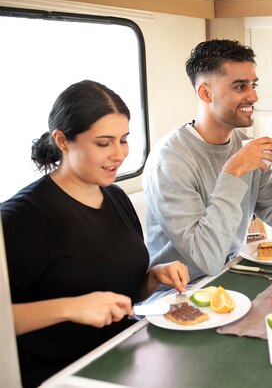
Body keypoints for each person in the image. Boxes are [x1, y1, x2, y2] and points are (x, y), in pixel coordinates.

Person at [0, 80, 189, 388]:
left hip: (122, 358)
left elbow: (119, 296)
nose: (118, 155)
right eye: (103, 143)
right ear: (62, 140)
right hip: (61, 375)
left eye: (124, 140)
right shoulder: (22, 217)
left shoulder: (116, 197)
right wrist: (69, 308)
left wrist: (153, 278)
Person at [144, 39, 272, 282]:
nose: (254, 96)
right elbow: (207, 259)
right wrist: (233, 172)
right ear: (205, 92)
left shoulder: (246, 146)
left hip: (230, 274)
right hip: (178, 293)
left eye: (253, 85)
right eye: (240, 87)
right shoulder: (170, 160)